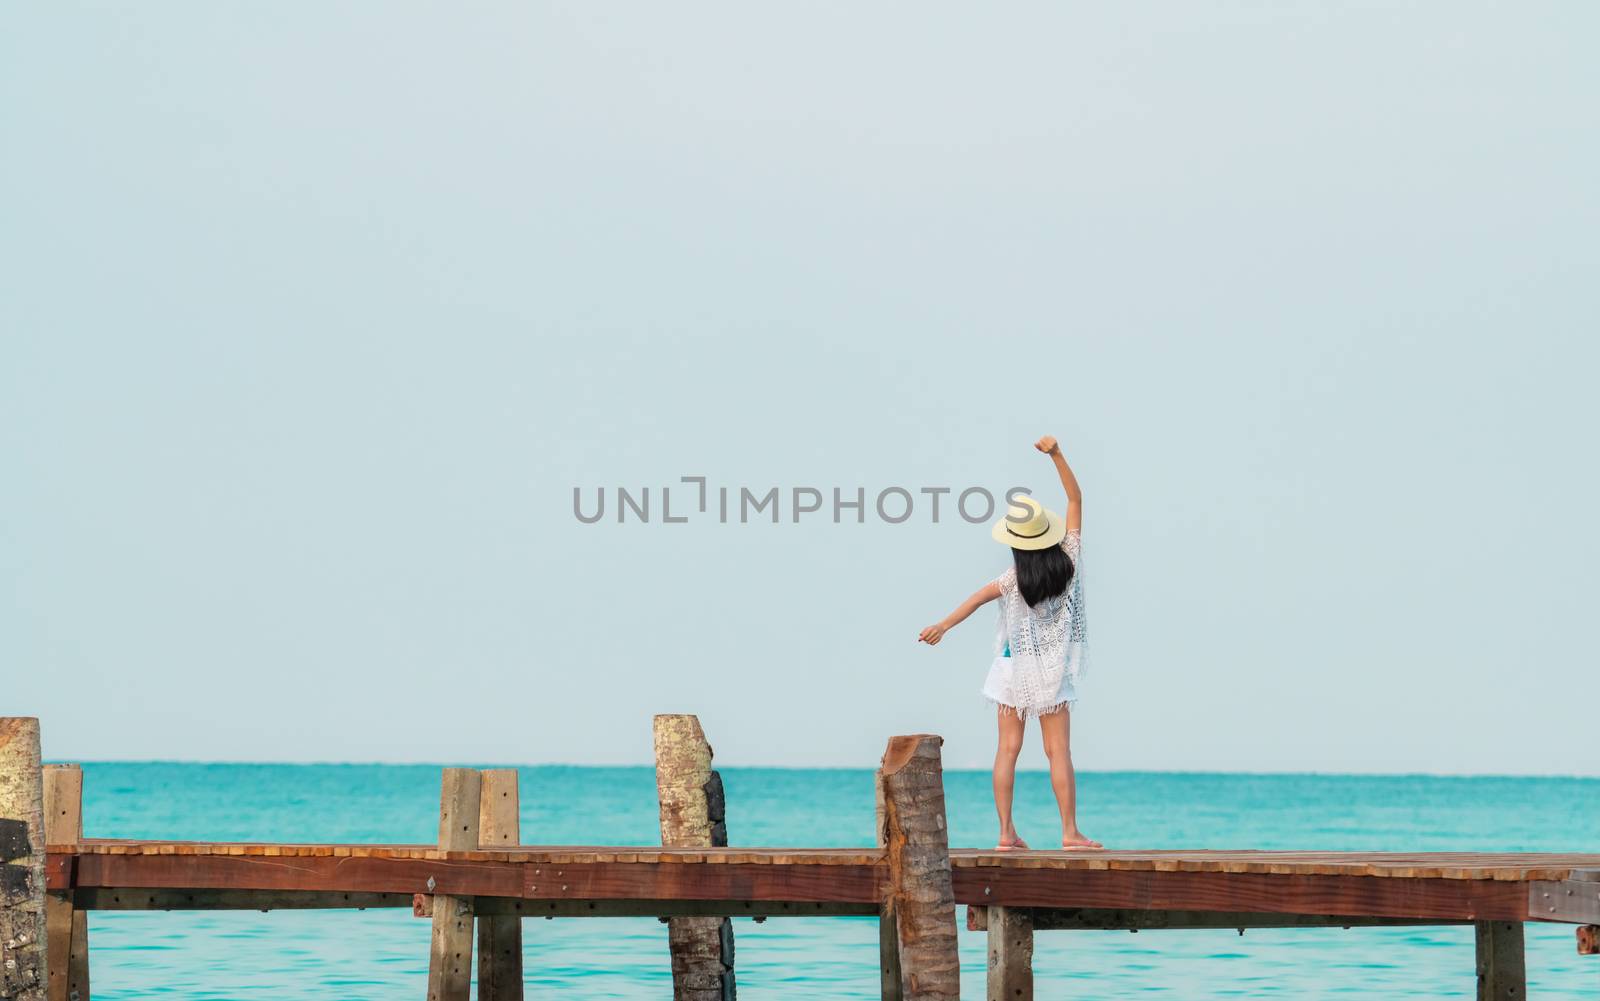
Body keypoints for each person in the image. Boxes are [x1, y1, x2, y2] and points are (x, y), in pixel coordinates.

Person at [918, 435, 1099, 850]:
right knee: (1058, 753)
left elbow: (974, 601)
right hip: (1051, 674)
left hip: (1011, 670)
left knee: (1008, 751)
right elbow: (1076, 498)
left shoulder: (1012, 580)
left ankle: (1005, 834)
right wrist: (1057, 455)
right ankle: (1069, 832)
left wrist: (942, 626)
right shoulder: (1068, 562)